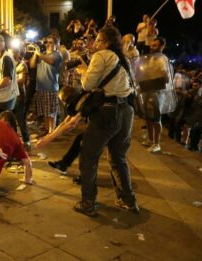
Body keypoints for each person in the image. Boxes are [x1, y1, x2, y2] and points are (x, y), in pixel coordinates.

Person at [75, 26, 138, 216]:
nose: (95, 44)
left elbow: (87, 84)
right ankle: (128, 200)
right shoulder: (124, 59)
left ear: (107, 42)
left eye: (99, 40)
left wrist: (84, 72)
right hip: (126, 111)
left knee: (88, 157)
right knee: (118, 157)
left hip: (107, 112)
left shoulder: (101, 56)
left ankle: (88, 202)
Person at [141, 37, 172, 153]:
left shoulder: (162, 59)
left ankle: (156, 143)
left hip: (158, 92)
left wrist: (159, 77)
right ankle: (150, 139)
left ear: (161, 47)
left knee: (156, 118)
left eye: (154, 46)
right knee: (148, 117)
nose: (151, 47)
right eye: (151, 45)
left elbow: (167, 78)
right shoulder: (150, 58)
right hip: (147, 89)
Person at [30, 34, 63, 134]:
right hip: (40, 87)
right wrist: (36, 53)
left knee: (51, 111)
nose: (48, 44)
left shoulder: (57, 54)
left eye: (51, 42)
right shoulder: (42, 54)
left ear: (56, 44)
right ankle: (47, 130)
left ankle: (51, 132)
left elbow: (51, 61)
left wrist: (39, 54)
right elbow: (32, 65)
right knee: (45, 111)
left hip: (51, 87)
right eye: (46, 42)